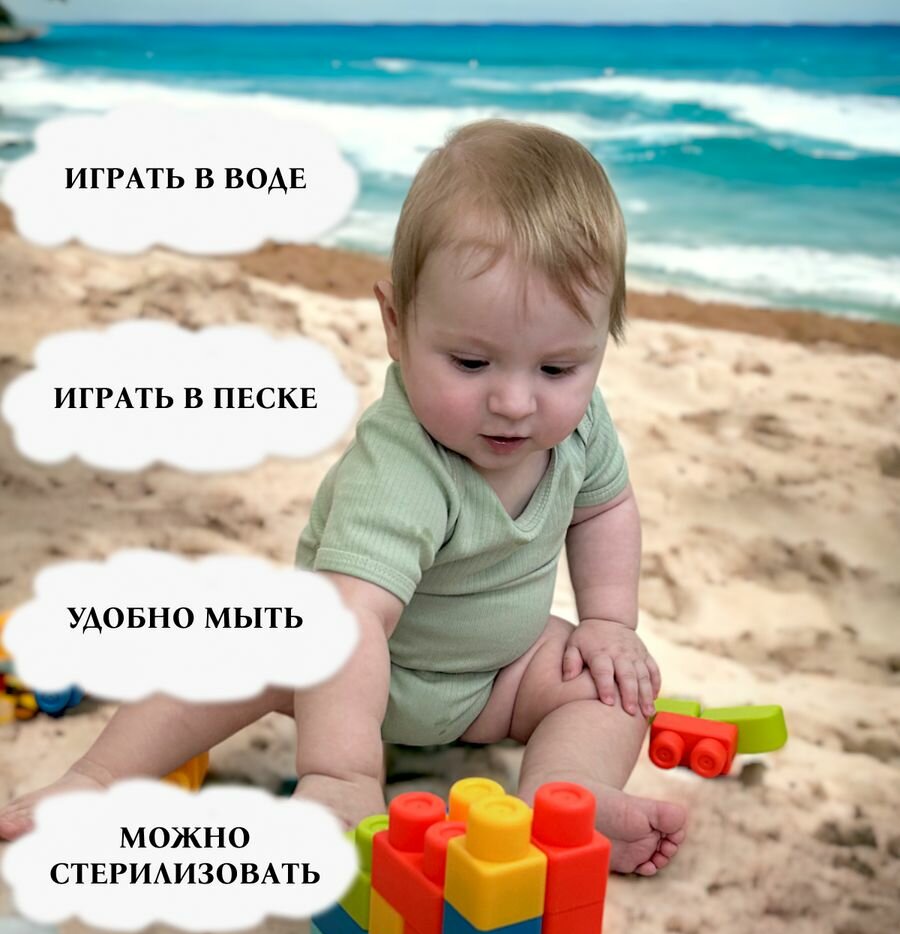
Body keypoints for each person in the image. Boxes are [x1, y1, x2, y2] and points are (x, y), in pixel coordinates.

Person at [0, 119, 686, 876]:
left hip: (499, 676)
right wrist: (342, 774)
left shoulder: (582, 427)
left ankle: (567, 798)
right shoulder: (403, 468)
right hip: (346, 676)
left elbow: (604, 508)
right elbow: (350, 620)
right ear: (395, 324)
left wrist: (609, 622)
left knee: (612, 686)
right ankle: (95, 779)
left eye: (558, 369)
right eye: (470, 362)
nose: (516, 402)